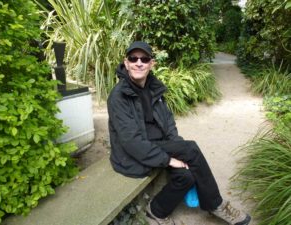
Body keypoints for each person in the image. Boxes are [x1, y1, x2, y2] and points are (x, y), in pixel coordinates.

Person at [107, 41, 251, 225]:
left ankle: (156, 211)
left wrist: (177, 149)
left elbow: (168, 123)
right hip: (131, 155)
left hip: (157, 145)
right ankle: (216, 204)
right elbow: (131, 142)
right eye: (133, 58)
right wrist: (169, 159)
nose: (138, 63)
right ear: (126, 63)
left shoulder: (154, 88)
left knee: (187, 175)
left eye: (144, 59)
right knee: (190, 149)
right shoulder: (119, 96)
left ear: (152, 64)